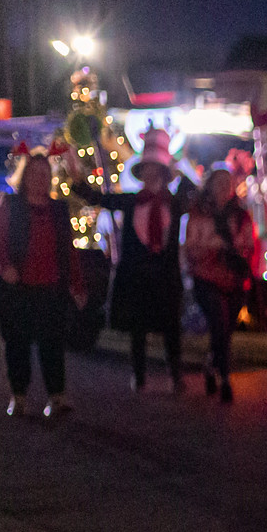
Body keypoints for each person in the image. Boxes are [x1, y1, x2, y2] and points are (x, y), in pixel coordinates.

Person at [81, 127, 190, 393]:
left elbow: (197, 191)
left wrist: (175, 162)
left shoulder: (175, 203)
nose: (151, 173)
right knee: (138, 327)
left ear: (164, 173)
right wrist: (75, 174)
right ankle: (138, 375)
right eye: (148, 167)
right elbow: (98, 198)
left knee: (171, 327)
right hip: (137, 274)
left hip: (165, 274)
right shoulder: (131, 201)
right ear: (141, 172)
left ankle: (175, 375)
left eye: (157, 168)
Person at [0, 146, 86, 419]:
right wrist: (4, 265)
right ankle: (18, 397)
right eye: (35, 173)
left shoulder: (58, 209)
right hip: (18, 287)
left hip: (50, 288)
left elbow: (68, 249)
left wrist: (76, 284)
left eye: (45, 174)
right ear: (25, 175)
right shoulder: (10, 204)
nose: (40, 179)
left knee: (52, 344)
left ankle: (56, 397)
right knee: (17, 343)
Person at [183, 167, 260, 402]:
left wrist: (239, 256)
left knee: (225, 330)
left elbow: (249, 245)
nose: (223, 188)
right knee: (219, 319)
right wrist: (213, 250)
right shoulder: (199, 214)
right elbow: (191, 247)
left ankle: (210, 364)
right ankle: (225, 379)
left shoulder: (240, 215)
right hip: (207, 278)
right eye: (219, 183)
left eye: (227, 183)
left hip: (233, 279)